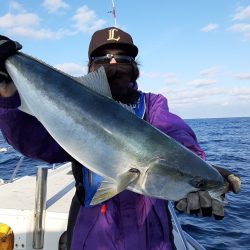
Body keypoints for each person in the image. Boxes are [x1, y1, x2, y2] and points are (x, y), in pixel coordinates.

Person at [0, 28, 240, 250]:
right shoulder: (72, 103)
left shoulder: (152, 105)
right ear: (90, 67)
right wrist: (7, 93)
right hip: (91, 234)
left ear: (135, 67)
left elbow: (176, 135)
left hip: (152, 237)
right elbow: (34, 144)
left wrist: (201, 168)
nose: (113, 64)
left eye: (122, 59)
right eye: (103, 59)